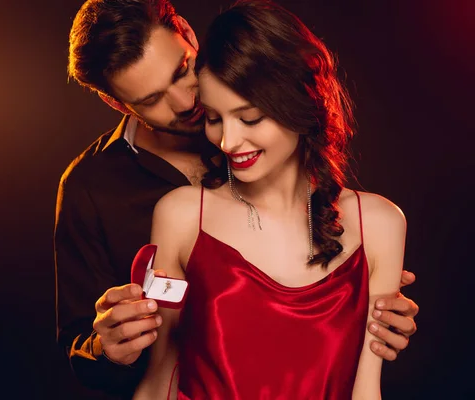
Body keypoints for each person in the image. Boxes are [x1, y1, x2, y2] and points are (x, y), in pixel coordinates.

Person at [55, 0, 419, 398]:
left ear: (189, 36)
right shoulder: (93, 189)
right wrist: (105, 348)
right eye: (151, 100)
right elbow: (123, 362)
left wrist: (361, 301)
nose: (184, 102)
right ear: (116, 102)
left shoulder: (261, 87)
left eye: (182, 71)